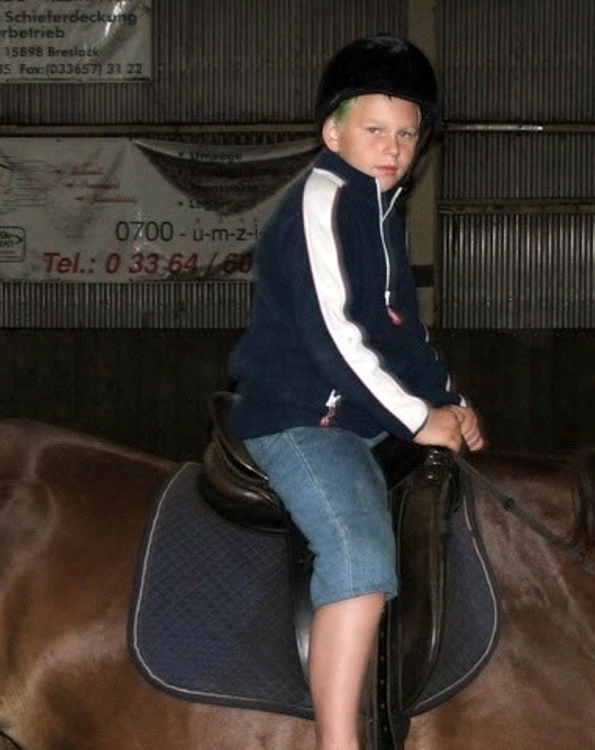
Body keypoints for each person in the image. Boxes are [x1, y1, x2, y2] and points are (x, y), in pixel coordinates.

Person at [227, 33, 485, 750]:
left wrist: (451, 402)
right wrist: (417, 419)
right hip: (303, 419)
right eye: (375, 129)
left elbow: (399, 327)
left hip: (357, 413)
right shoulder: (325, 198)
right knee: (361, 558)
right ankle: (338, 741)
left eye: (406, 133)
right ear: (332, 133)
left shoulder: (380, 209)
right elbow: (334, 335)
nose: (393, 147)